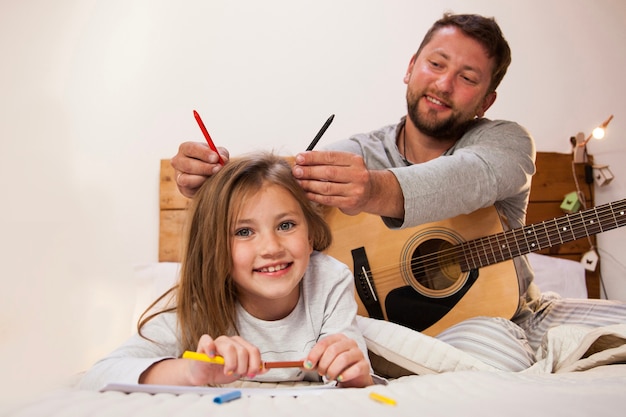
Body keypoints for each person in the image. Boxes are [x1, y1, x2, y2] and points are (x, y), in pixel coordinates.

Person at [171, 13, 626, 360]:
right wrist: (214, 187)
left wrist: (372, 191)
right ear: (410, 68)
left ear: (486, 100)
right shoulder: (357, 152)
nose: (444, 84)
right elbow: (274, 194)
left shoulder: (506, 141)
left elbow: (468, 178)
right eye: (435, 63)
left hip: (500, 316)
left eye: (467, 78)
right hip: (373, 323)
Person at [80, 153, 375, 389]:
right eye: (244, 231)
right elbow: (99, 375)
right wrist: (191, 371)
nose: (271, 247)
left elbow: (355, 374)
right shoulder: (199, 305)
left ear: (310, 235)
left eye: (286, 225)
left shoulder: (329, 280)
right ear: (215, 247)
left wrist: (353, 373)